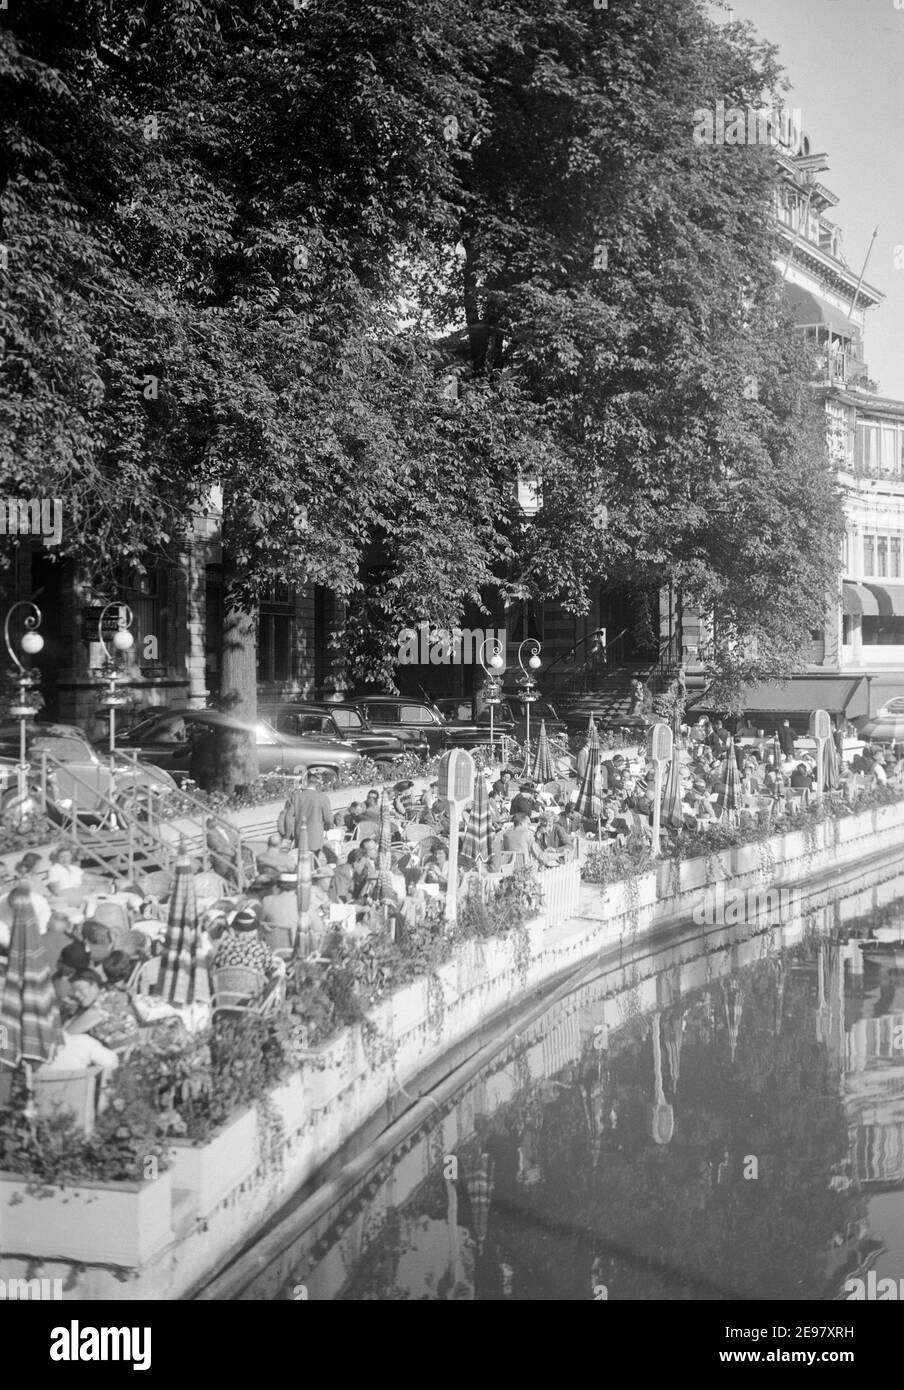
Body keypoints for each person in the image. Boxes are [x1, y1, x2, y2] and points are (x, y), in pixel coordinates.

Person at [213, 902, 283, 980]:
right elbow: (269, 967)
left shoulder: (225, 944)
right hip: (255, 989)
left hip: (225, 990)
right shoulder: (261, 946)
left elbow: (217, 964)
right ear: (253, 932)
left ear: (234, 930)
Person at [290, 769, 334, 856]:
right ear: (317, 783)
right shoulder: (323, 798)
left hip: (300, 836)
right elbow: (328, 819)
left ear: (305, 782)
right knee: (314, 863)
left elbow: (289, 817)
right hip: (315, 837)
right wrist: (328, 827)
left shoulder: (296, 797)